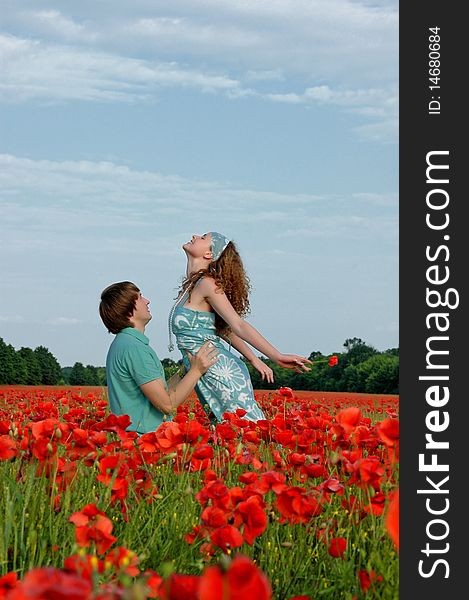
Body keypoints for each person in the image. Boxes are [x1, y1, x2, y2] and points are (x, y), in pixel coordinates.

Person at [168, 232, 312, 423]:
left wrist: (276, 356)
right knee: (225, 430)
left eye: (203, 237)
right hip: (204, 371)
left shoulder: (207, 284)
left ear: (209, 254)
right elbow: (222, 329)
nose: (195, 236)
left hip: (219, 371)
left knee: (245, 428)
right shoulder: (193, 286)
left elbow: (238, 325)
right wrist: (253, 359)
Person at [99, 281, 219, 435]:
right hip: (143, 442)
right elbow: (166, 405)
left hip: (131, 439)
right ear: (129, 310)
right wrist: (196, 370)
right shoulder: (134, 348)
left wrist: (185, 371)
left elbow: (159, 392)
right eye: (140, 297)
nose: (147, 301)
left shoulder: (123, 343)